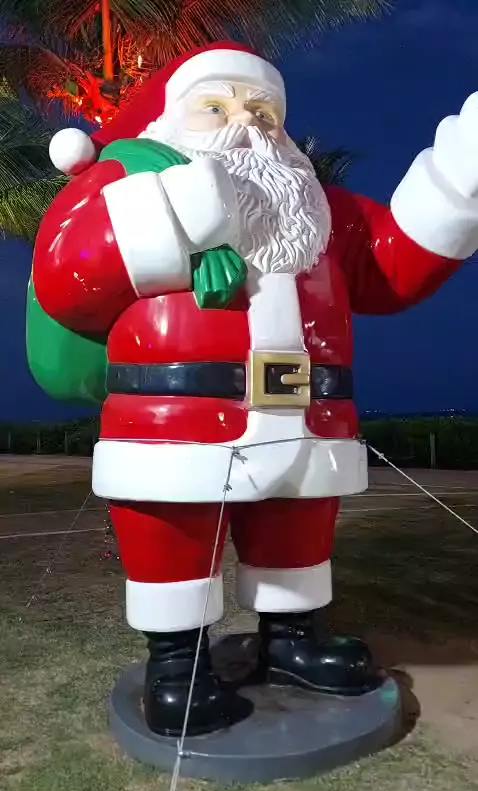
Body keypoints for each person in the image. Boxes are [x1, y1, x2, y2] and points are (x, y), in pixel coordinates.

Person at [33, 41, 478, 737]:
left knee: (296, 528)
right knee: (174, 534)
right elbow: (67, 276)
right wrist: (166, 219)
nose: (247, 119)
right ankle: (177, 663)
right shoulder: (124, 179)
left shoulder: (317, 207)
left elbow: (391, 266)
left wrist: (459, 179)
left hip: (310, 412)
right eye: (216, 106)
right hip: (178, 414)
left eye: (264, 110)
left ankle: (292, 639)